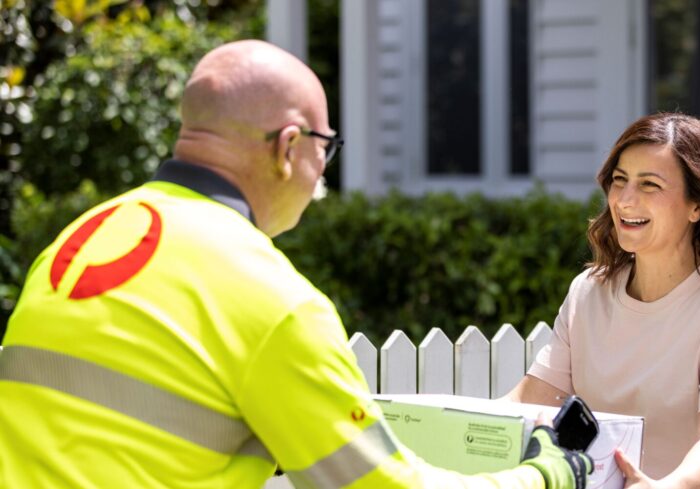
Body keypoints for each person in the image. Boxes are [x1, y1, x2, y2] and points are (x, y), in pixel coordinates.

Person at [0, 40, 590, 489]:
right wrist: (551, 474)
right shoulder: (271, 299)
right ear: (288, 147)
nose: (322, 172)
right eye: (325, 148)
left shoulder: (77, 244)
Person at [504, 113, 700, 489]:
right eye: (619, 180)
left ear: (699, 205)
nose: (625, 200)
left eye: (650, 185)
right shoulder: (588, 291)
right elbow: (529, 400)